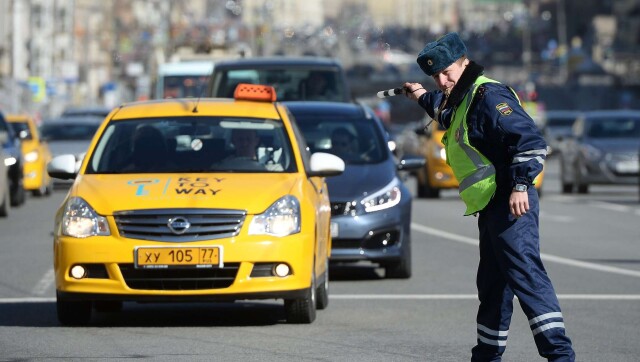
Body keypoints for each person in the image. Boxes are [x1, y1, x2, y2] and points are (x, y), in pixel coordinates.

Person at [403, 32, 575, 361]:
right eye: (434, 76)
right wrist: (422, 95)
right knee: (493, 287)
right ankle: (486, 356)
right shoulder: (461, 97)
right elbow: (447, 113)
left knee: (526, 278)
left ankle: (560, 356)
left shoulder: (488, 94)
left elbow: (530, 142)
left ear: (464, 63)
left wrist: (521, 186)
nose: (441, 80)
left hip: (511, 203)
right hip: (491, 206)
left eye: (446, 73)